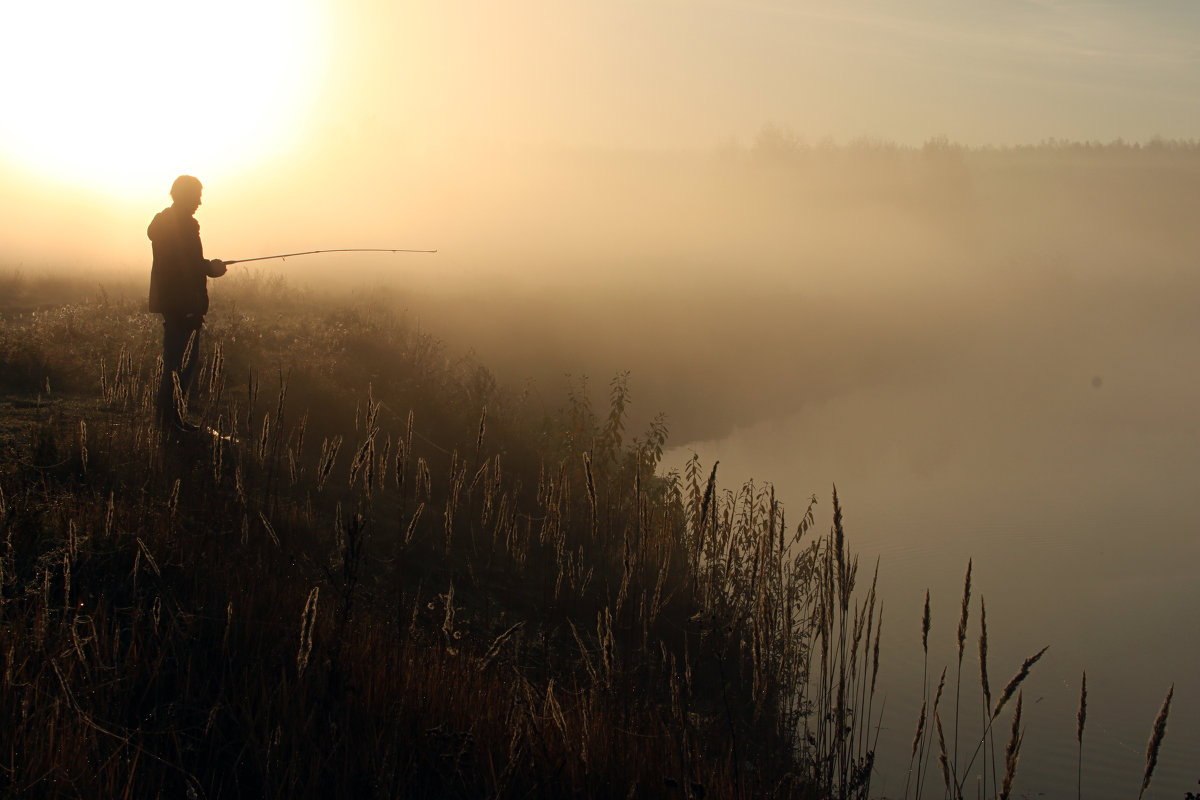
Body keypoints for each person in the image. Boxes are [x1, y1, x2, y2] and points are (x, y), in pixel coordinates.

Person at [148, 175, 227, 432]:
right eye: (196, 197)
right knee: (180, 365)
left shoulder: (165, 223)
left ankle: (172, 420)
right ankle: (169, 424)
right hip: (183, 304)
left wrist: (207, 267)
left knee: (177, 363)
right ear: (182, 196)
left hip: (174, 302)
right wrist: (212, 268)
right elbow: (188, 264)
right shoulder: (184, 225)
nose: (199, 202)